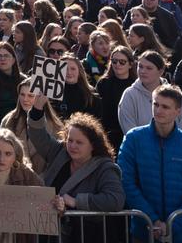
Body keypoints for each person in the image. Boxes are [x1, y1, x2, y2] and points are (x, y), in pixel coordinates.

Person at [118, 84, 182, 243]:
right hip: (143, 231)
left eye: (165, 107)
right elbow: (126, 182)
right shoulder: (133, 139)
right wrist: (152, 220)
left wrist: (173, 223)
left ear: (178, 111)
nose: (158, 110)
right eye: (156, 104)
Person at [25, 100, 125, 240]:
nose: (72, 146)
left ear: (93, 145)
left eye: (79, 142)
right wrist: (37, 108)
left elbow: (115, 200)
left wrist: (76, 201)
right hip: (49, 233)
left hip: (85, 236)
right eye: (70, 140)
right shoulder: (60, 152)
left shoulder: (105, 168)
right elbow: (38, 136)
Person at [118, 50, 182, 134]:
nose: (142, 71)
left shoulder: (175, 94)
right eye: (140, 66)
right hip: (140, 146)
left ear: (161, 71)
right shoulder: (129, 95)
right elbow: (129, 131)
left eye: (149, 68)